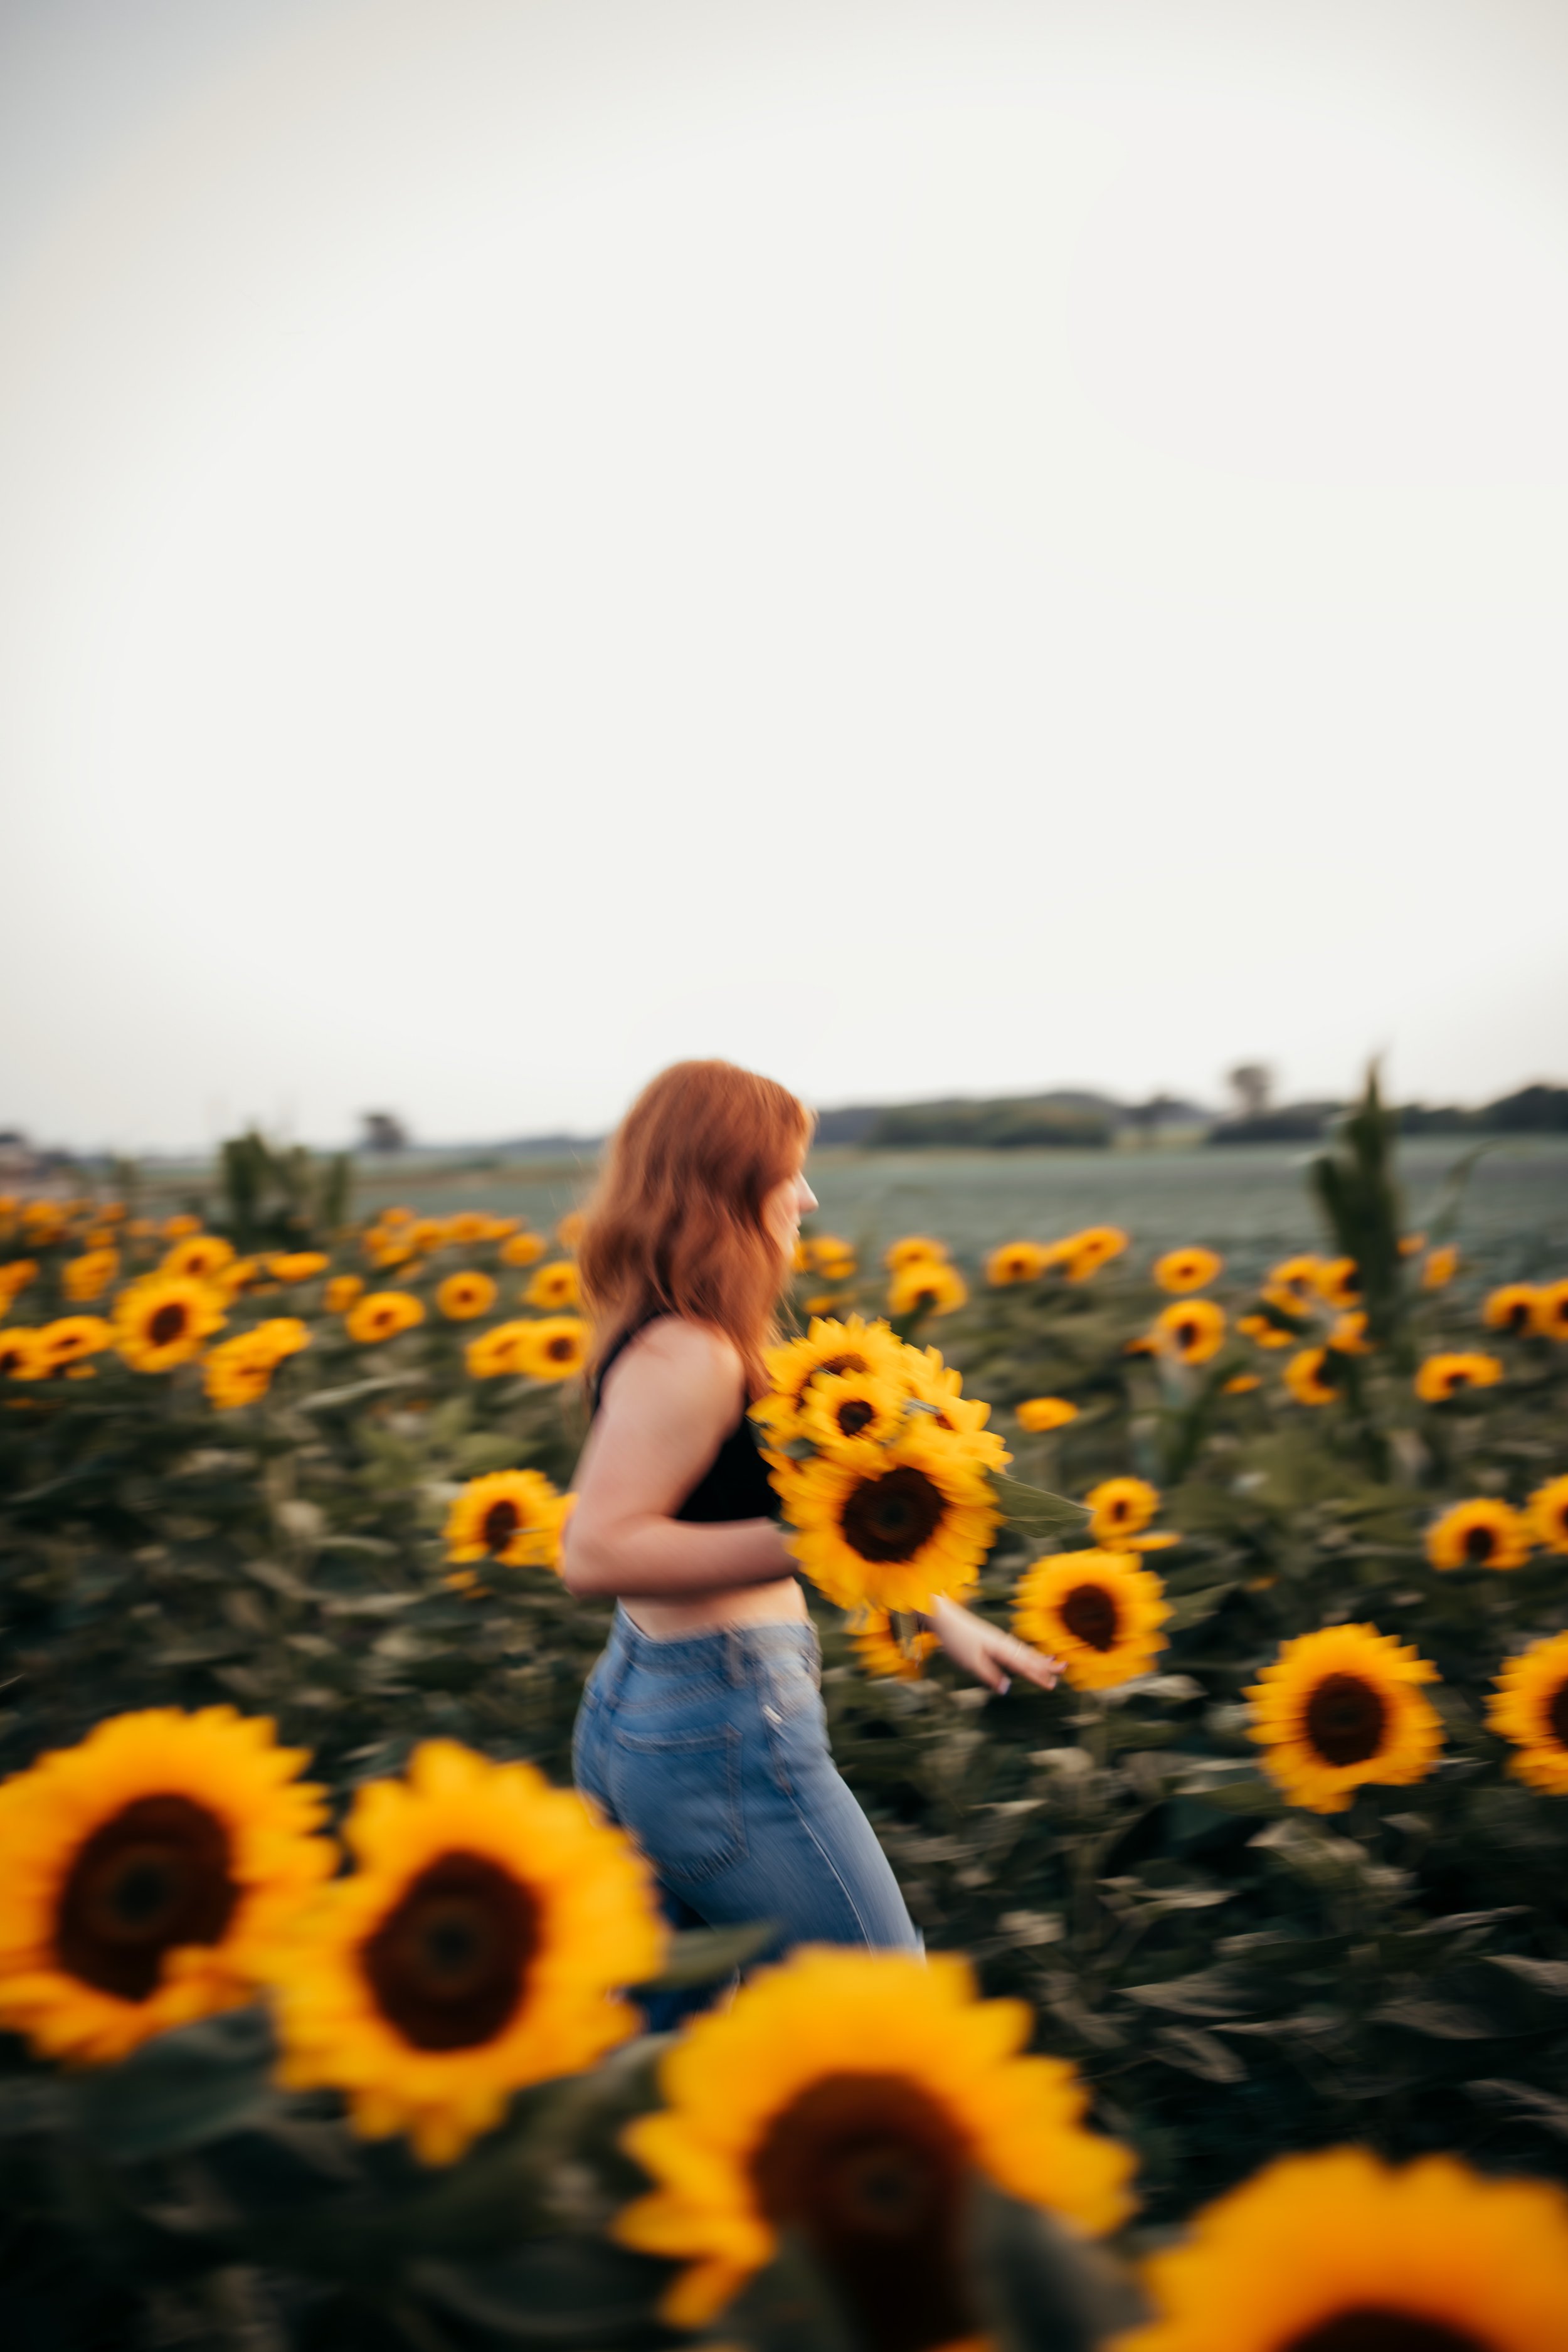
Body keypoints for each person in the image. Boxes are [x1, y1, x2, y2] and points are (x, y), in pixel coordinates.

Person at [562, 1059, 1062, 1984]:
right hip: (720, 1730)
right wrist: (817, 1541)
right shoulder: (692, 1352)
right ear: (726, 1186)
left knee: (691, 2050)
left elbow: (789, 1496)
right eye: (787, 1170)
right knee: (887, 2006)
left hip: (658, 1714)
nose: (808, 1194)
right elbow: (596, 1549)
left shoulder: (697, 1331)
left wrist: (930, 1601)